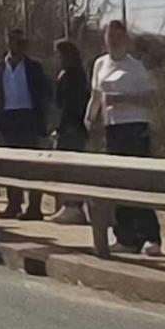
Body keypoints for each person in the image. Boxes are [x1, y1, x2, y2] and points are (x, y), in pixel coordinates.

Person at [85, 20, 162, 256]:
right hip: (112, 129)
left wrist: (122, 99)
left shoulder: (135, 67)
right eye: (110, 37)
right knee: (116, 185)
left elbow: (151, 99)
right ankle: (126, 236)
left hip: (135, 128)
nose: (114, 41)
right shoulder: (100, 64)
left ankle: (152, 236)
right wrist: (89, 119)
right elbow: (96, 95)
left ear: (125, 40)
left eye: (119, 37)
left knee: (138, 183)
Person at [0, 28, 51, 220]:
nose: (14, 44)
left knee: (32, 165)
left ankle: (34, 208)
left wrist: (44, 123)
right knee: (10, 166)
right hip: (8, 119)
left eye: (18, 41)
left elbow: (44, 94)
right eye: (11, 40)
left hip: (29, 119)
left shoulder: (34, 67)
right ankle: (13, 205)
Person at [50, 39, 90, 225]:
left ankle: (73, 206)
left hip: (72, 127)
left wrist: (61, 127)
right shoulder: (69, 74)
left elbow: (69, 105)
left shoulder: (73, 76)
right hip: (71, 126)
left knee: (70, 167)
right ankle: (68, 204)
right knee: (65, 167)